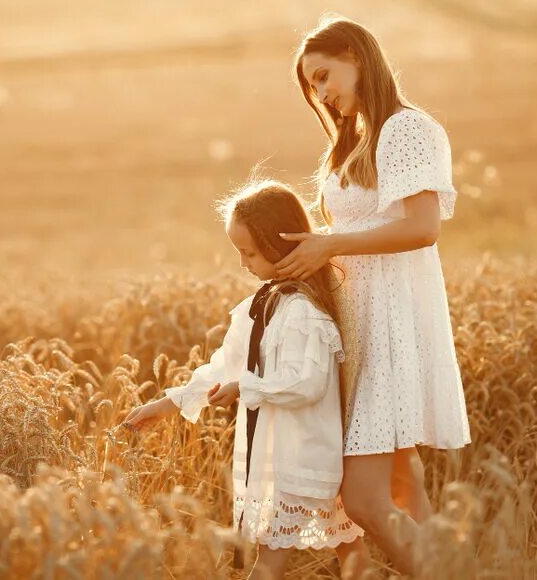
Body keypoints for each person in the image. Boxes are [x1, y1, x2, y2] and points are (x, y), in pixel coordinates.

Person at [274, 14, 473, 575]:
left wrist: (330, 243)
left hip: (392, 323)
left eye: (324, 75)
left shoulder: (406, 129)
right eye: (312, 85)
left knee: (363, 499)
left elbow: (423, 228)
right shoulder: (356, 141)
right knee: (404, 484)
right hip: (357, 328)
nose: (321, 93)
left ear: (357, 58)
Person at [122, 180, 369, 579]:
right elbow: (224, 368)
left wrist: (247, 388)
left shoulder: (303, 312)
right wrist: (168, 404)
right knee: (346, 547)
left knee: (285, 557)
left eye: (249, 252)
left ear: (279, 246)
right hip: (276, 456)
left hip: (302, 457)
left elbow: (306, 384)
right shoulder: (258, 308)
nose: (243, 263)